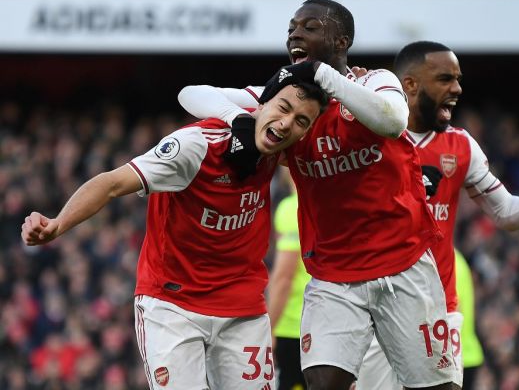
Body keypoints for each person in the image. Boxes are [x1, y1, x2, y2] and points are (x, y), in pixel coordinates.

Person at [178, 0, 458, 390]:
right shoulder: (285, 102)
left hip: (404, 263)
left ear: (341, 40)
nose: (295, 33)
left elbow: (394, 121)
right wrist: (238, 119)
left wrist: (325, 77)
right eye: (292, 27)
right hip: (333, 276)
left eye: (310, 27)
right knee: (322, 383)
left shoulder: (375, 82)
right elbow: (192, 93)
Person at [21, 67, 329, 390]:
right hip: (173, 307)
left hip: (241, 307)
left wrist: (359, 85)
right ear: (260, 104)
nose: (286, 124)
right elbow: (112, 184)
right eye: (283, 109)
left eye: (301, 121)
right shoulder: (194, 147)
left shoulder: (282, 144)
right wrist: (58, 224)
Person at [354, 40, 519, 389]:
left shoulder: (460, 145)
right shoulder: (366, 136)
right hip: (375, 307)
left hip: (438, 308)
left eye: (457, 79)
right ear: (409, 84)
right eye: (444, 79)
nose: (456, 89)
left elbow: (505, 212)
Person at [268, 169, 310, 390]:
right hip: (321, 321)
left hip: (291, 326)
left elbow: (284, 277)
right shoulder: (322, 206)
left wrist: (269, 328)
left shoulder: (291, 209)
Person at [454, 249, 484, 390]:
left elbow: (454, 308)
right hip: (465, 354)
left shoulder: (451, 262)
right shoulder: (456, 259)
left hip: (459, 356)